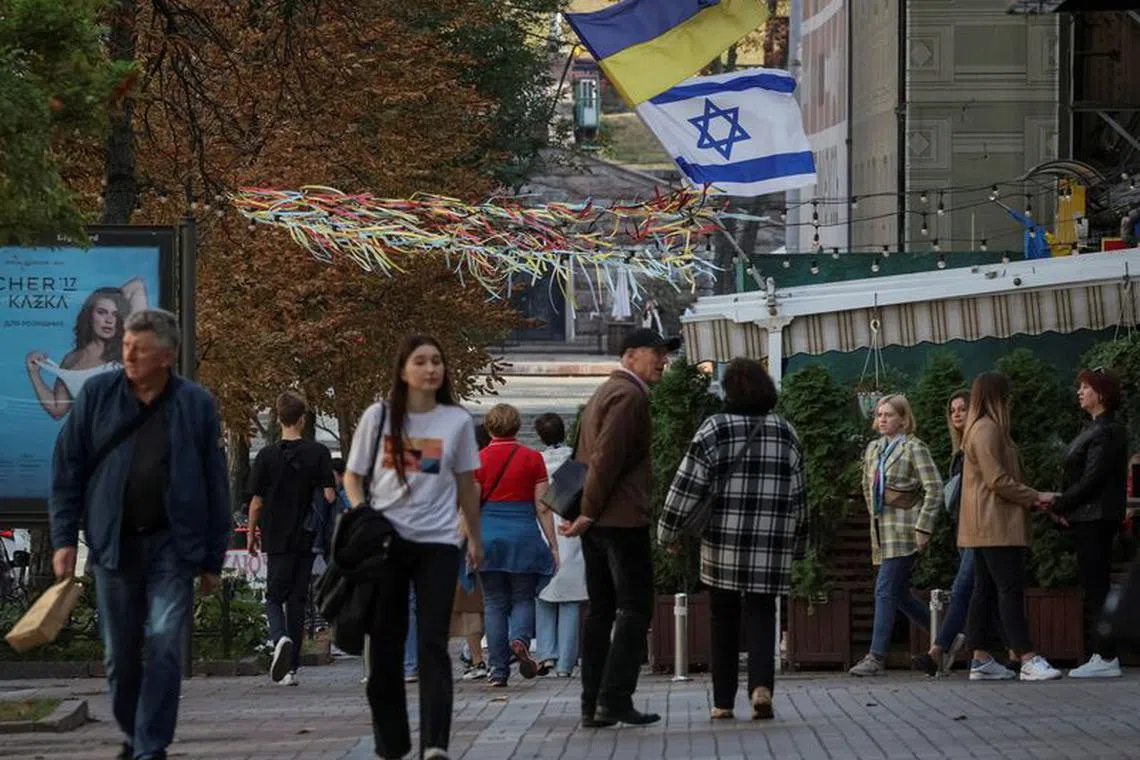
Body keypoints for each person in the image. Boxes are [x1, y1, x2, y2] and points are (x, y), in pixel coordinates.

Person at [49, 309, 230, 760]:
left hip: (173, 546)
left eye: (140, 349)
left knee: (166, 644)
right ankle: (135, 734)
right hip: (115, 545)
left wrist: (213, 559)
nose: (128, 355)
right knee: (120, 656)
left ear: (167, 356)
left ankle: (150, 746)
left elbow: (215, 484)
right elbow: (67, 468)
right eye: (126, 346)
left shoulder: (195, 404)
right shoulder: (98, 396)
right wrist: (64, 539)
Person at [343, 334, 483, 760]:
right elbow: (353, 476)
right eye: (420, 361)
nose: (430, 368)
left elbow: (467, 485)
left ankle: (435, 744)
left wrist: (474, 537)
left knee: (432, 643)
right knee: (386, 644)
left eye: (436, 360)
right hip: (386, 542)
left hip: (439, 543)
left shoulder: (456, 421)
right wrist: (363, 515)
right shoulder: (379, 416)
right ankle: (392, 743)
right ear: (403, 370)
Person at [658, 358, 806, 720]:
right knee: (762, 612)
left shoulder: (714, 428)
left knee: (722, 618)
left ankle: (723, 701)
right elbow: (800, 494)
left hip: (723, 540)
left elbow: (686, 484)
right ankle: (761, 687)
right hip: (770, 541)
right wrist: (799, 543)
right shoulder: (785, 431)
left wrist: (668, 531)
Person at [560, 327, 682, 728]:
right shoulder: (629, 396)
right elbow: (606, 458)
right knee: (635, 607)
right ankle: (613, 699)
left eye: (665, 353)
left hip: (599, 520)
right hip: (620, 518)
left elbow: (582, 455)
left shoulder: (607, 391)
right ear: (629, 355)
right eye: (655, 352)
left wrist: (579, 511)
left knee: (601, 610)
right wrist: (589, 511)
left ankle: (592, 703)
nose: (663, 360)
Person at [958, 372, 1063, 682]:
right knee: (1008, 588)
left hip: (983, 523)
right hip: (996, 523)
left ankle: (980, 659)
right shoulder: (988, 429)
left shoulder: (978, 428)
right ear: (999, 398)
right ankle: (1027, 657)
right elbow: (997, 480)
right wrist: (1036, 496)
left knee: (985, 589)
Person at [849, 394, 943, 677]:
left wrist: (923, 526)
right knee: (899, 594)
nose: (882, 419)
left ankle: (876, 656)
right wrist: (875, 514)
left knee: (884, 589)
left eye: (888, 415)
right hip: (882, 531)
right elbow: (867, 486)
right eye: (879, 415)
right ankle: (948, 637)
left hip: (905, 531)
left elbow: (934, 488)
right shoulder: (874, 449)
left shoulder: (914, 447)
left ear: (903, 419)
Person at [246, 392, 336, 686]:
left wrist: (251, 534)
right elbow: (329, 495)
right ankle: (292, 667)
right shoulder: (319, 453)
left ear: (278, 418)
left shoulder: (266, 456)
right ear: (303, 419)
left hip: (276, 535)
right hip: (306, 535)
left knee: (274, 597)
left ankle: (279, 638)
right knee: (298, 599)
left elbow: (256, 502)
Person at [1046, 368, 1129, 678]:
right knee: (1094, 584)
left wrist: (1060, 503)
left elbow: (1092, 479)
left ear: (1102, 394)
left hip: (1096, 517)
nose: (1080, 392)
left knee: (1097, 585)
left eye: (1086, 388)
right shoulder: (1097, 428)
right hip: (1089, 516)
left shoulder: (1106, 431)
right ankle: (1103, 654)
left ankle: (1106, 656)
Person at [470, 403, 556, 687]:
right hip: (523, 535)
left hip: (488, 536)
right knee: (523, 596)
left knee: (493, 602)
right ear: (518, 427)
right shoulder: (533, 459)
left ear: (489, 427)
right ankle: (519, 639)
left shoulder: (478, 460)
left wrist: (467, 541)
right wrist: (553, 545)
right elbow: (543, 507)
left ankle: (497, 670)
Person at [27, 279, 148, 419]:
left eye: (116, 314)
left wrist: (111, 298)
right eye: (101, 312)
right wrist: (34, 374)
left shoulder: (126, 350)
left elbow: (137, 286)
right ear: (89, 314)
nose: (109, 320)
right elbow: (57, 410)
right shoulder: (71, 359)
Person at [533, 412, 588, 678]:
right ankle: (566, 662)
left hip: (544, 531)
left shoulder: (536, 461)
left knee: (543, 593)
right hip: (572, 530)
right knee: (571, 598)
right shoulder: (575, 462)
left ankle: (546, 654)